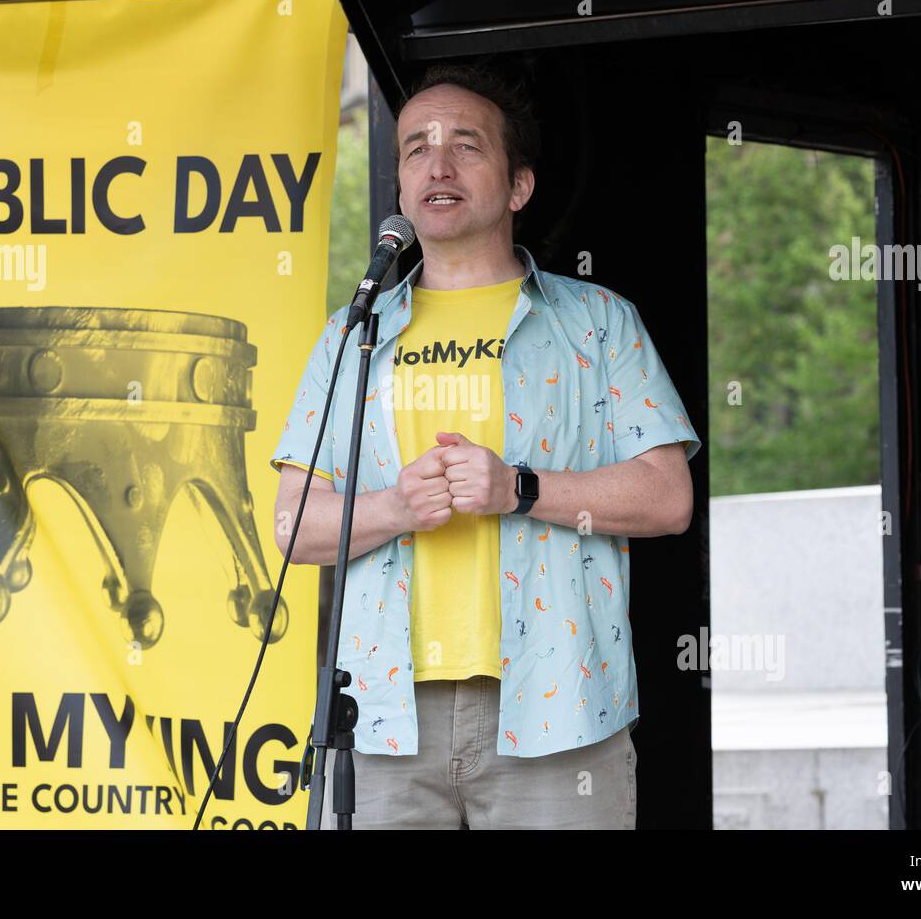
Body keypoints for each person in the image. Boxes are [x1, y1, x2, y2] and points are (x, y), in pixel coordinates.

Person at [269, 62, 701, 829]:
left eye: (465, 146)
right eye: (415, 149)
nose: (437, 165)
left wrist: (521, 490)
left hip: (559, 708)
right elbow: (293, 528)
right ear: (401, 192)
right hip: (381, 714)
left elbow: (667, 500)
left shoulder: (598, 322)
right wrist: (397, 506)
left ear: (519, 186)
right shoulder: (352, 335)